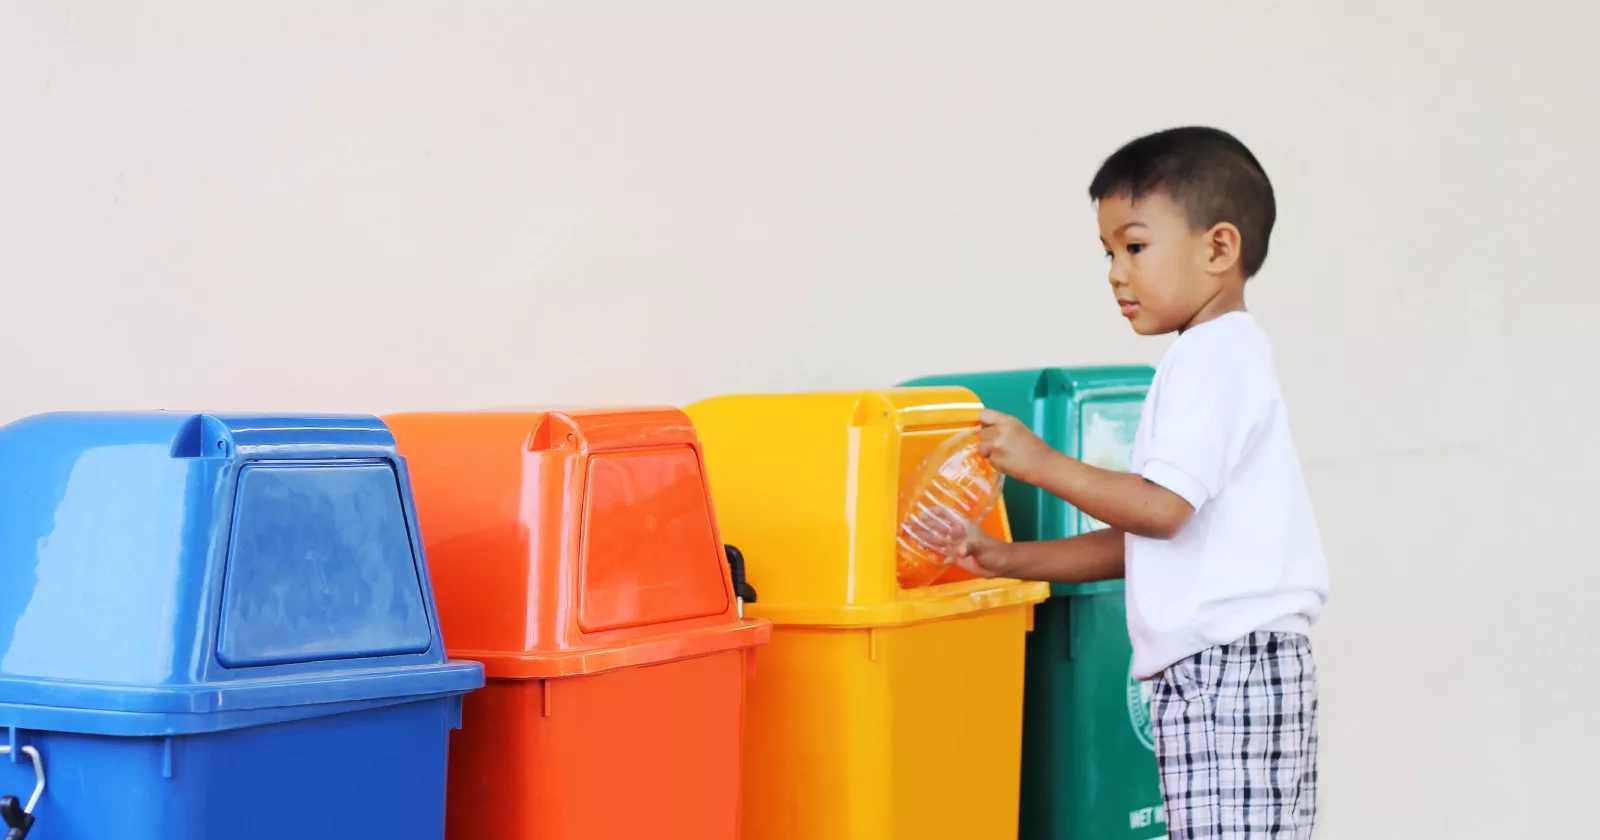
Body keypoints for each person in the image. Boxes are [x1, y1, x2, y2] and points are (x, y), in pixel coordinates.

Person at [952, 126, 1330, 839]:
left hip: (1230, 671)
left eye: (1134, 246)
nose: (1115, 273)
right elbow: (1148, 541)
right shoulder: (1214, 358)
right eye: (1107, 253)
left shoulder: (1211, 359)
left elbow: (1160, 513)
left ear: (1219, 248)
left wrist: (1040, 462)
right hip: (1225, 669)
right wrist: (1009, 560)